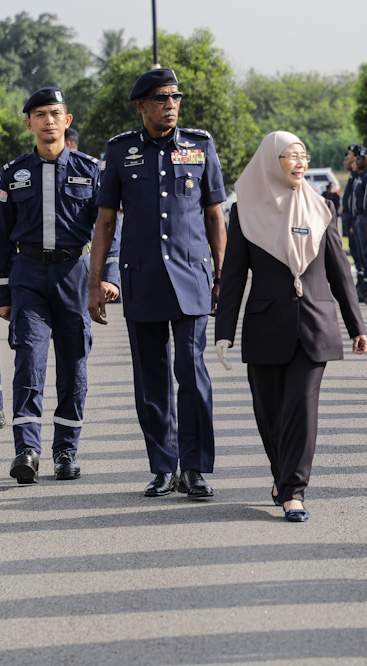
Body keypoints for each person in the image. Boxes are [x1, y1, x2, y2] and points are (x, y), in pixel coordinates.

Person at [214, 131, 367, 522]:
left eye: (304, 155)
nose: (300, 162)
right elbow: (232, 277)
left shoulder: (321, 208)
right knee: (269, 414)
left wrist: (355, 325)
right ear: (270, 161)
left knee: (301, 406)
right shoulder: (245, 213)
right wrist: (224, 333)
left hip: (315, 325)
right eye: (290, 155)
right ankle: (282, 475)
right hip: (265, 326)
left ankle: (294, 491)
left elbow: (340, 272)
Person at [88, 68, 227, 500]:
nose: (171, 104)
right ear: (141, 105)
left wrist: (223, 277)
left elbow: (214, 217)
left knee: (192, 372)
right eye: (161, 98)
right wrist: (96, 283)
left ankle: (196, 468)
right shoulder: (120, 151)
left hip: (192, 278)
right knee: (151, 379)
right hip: (143, 278)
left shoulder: (200, 146)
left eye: (175, 97)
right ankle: (163, 466)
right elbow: (106, 222)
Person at [1, 86, 120, 484]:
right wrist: (3, 293)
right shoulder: (12, 174)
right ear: (29, 124)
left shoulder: (91, 169)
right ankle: (27, 451)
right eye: (40, 114)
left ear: (66, 121)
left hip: (75, 276)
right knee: (28, 363)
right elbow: (1, 238)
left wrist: (107, 277)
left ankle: (65, 451)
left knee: (73, 366)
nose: (48, 120)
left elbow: (109, 229)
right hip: (28, 276)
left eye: (55, 113)